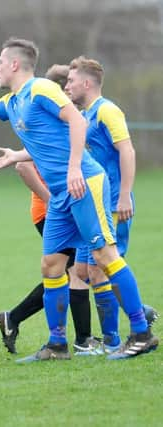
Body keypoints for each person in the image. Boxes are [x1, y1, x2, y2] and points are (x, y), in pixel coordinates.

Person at [0, 38, 158, 362]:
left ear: (15, 65)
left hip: (83, 183)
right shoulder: (14, 101)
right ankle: (57, 345)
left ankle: (141, 333)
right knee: (51, 265)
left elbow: (77, 121)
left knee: (104, 256)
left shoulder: (41, 90)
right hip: (62, 195)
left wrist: (75, 167)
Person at [0, 65, 99, 356]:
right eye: (65, 86)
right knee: (75, 271)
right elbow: (24, 165)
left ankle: (20, 322)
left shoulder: (56, 119)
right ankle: (83, 339)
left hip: (68, 200)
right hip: (51, 208)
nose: (68, 90)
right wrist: (52, 198)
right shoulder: (37, 112)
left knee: (72, 272)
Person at [65, 56, 159, 353]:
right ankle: (140, 312)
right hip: (92, 203)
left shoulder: (107, 110)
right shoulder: (85, 115)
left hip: (114, 203)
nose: (66, 85)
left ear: (87, 83)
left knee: (101, 270)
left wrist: (124, 195)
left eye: (70, 80)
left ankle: (116, 340)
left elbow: (127, 151)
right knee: (82, 271)